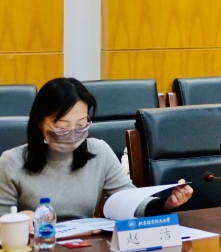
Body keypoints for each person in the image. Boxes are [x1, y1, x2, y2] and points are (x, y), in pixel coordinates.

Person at [0, 78, 193, 222]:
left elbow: (129, 200)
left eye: (80, 125)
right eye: (62, 127)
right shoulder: (11, 162)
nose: (72, 134)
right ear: (39, 122)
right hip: (36, 251)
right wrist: (18, 221)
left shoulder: (99, 152)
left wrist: (165, 204)